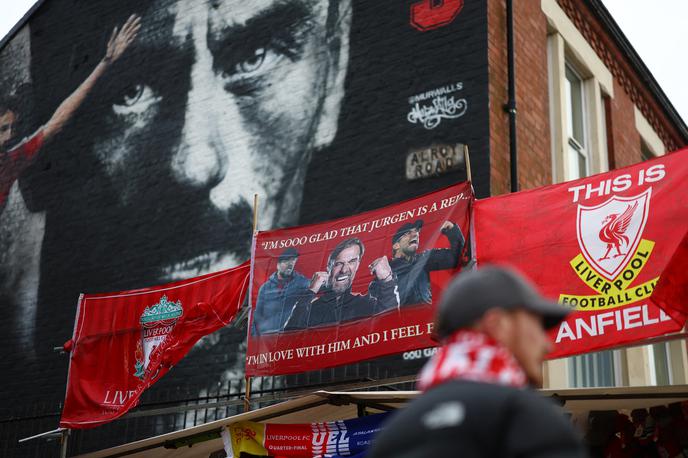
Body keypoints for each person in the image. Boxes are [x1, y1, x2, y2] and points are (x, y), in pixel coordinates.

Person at [369, 266, 587, 458]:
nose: (547, 344)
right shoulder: (525, 417)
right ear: (497, 324)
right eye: (538, 326)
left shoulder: (394, 435)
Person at [0, 15, 141, 212]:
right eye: (3, 129)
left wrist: (105, 62)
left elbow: (57, 121)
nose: (9, 136)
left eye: (11, 128)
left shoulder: (10, 162)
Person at [284, 238, 399, 329]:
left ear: (358, 265)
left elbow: (389, 324)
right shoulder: (309, 308)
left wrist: (387, 281)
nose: (344, 270)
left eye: (352, 262)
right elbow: (289, 339)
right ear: (328, 267)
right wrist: (311, 291)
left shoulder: (366, 304)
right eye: (339, 263)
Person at [389, 219, 465, 306]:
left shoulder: (423, 259)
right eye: (407, 233)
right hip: (398, 318)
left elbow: (458, 257)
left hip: (426, 317)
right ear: (396, 245)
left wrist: (451, 230)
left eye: (417, 231)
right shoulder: (384, 273)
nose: (415, 234)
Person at [252, 247, 310, 335]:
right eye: (287, 261)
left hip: (290, 339)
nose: (290, 264)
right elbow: (257, 318)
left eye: (293, 260)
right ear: (277, 264)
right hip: (267, 340)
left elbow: (319, 287)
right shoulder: (265, 288)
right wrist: (256, 342)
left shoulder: (302, 283)